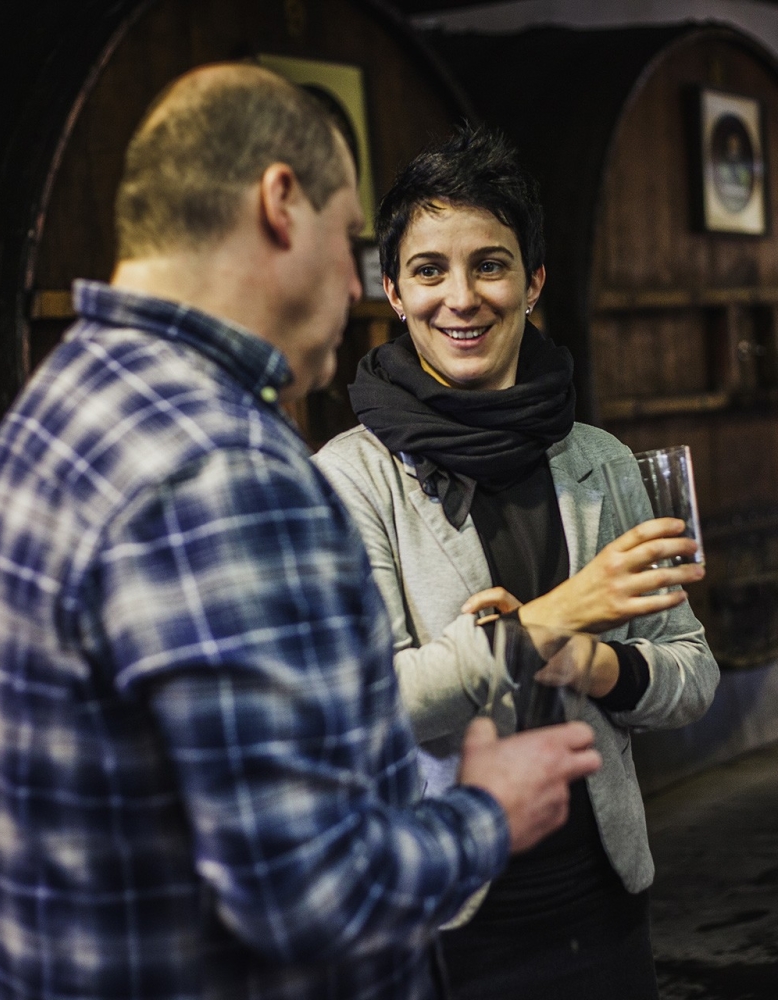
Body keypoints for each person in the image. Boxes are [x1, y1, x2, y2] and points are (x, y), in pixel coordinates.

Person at [0, 67, 603, 1000]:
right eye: (354, 239)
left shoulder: (60, 408)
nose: (361, 282)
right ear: (281, 203)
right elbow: (307, 895)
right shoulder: (224, 465)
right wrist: (488, 814)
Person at [314, 124, 720, 1000]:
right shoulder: (350, 481)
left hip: (604, 901)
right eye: (429, 270)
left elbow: (695, 675)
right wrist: (542, 625)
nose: (461, 298)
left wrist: (600, 664)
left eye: (490, 265)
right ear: (393, 289)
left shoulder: (600, 462)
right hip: (443, 925)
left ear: (533, 283)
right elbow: (360, 713)